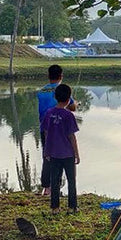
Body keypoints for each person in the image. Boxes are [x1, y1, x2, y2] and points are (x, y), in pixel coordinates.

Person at [37, 64, 76, 196]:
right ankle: (55, 187)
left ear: (48, 76)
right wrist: (75, 103)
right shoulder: (61, 90)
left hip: (45, 128)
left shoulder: (41, 91)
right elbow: (71, 107)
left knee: (47, 155)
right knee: (60, 156)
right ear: (61, 76)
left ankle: (46, 187)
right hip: (60, 129)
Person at [43, 84, 80, 214]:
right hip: (68, 154)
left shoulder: (49, 113)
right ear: (69, 98)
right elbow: (72, 137)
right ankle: (72, 207)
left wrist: (46, 151)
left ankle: (55, 208)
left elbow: (46, 134)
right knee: (71, 181)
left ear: (55, 97)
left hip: (53, 154)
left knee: (55, 181)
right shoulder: (69, 115)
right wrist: (77, 154)